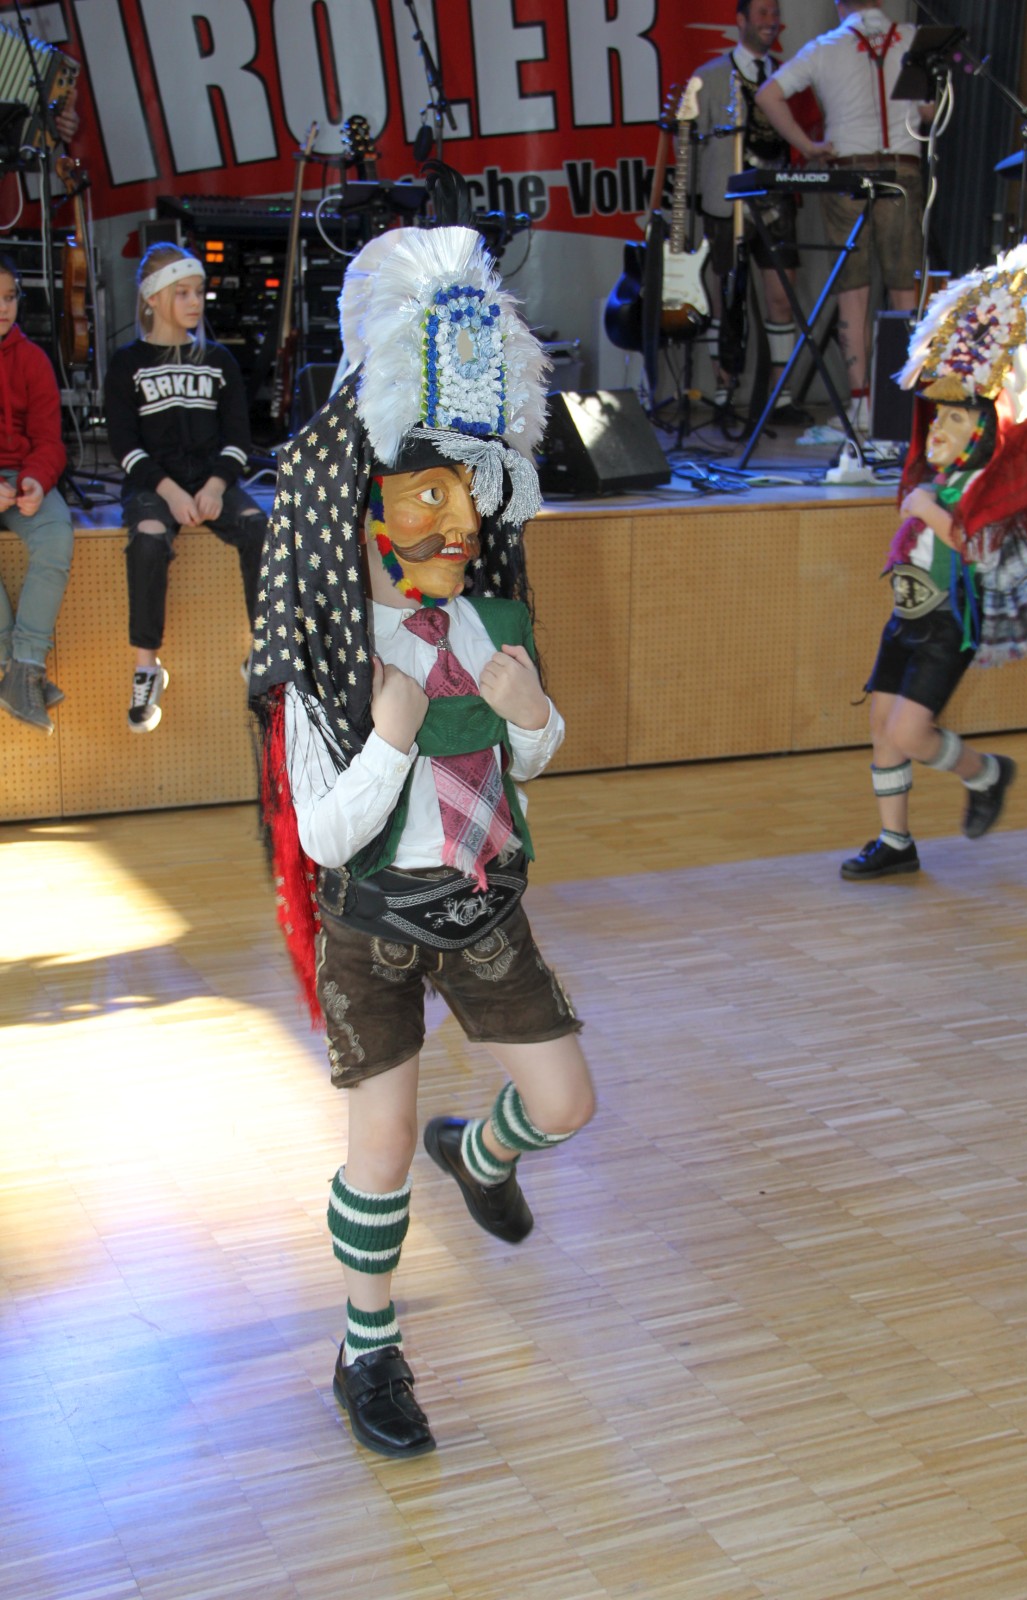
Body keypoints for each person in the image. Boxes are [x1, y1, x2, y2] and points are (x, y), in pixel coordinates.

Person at [250, 206, 595, 1458]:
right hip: (376, 924)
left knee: (564, 1103)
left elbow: (525, 757)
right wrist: (388, 735)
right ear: (363, 510)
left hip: (484, 904)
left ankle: (481, 1151)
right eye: (422, 496)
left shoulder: (493, 619)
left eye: (466, 495)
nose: (454, 525)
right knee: (380, 1144)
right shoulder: (332, 655)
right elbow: (325, 834)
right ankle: (367, 1349)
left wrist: (531, 713)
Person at [841, 241, 1027, 880]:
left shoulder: (987, 491)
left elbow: (980, 545)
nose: (937, 427)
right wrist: (922, 498)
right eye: (936, 415)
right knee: (883, 726)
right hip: (905, 619)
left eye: (955, 418)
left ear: (984, 430)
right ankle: (895, 842)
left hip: (947, 628)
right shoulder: (934, 479)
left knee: (911, 734)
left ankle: (987, 774)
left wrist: (926, 509)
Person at [104, 243, 266, 732]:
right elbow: (124, 446)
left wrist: (215, 486)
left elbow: (238, 440)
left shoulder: (218, 360)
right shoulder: (128, 363)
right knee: (149, 538)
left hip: (211, 480)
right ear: (152, 298)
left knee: (259, 526)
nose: (196, 302)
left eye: (199, 292)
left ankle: (262, 650)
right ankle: (147, 667)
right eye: (182, 293)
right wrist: (171, 492)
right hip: (155, 483)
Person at [756, 0, 933, 434]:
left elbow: (767, 95)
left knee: (853, 290)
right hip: (902, 172)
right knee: (903, 288)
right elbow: (929, 115)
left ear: (840, 4)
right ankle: (904, 409)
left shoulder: (825, 46)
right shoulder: (913, 40)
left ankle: (862, 404)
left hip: (846, 173)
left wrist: (808, 146)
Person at [690, 0, 808, 420]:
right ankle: (724, 391)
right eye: (761, 13)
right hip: (725, 203)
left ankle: (781, 395)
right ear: (740, 20)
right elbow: (691, 147)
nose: (770, 22)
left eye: (774, 13)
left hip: (777, 200)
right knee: (725, 297)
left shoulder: (790, 76)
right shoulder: (708, 78)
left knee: (781, 297)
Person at [0, 255, 74, 734]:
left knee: (56, 536)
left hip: (20, 476)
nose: (3, 307)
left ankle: (23, 666)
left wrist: (35, 481)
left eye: (9, 297)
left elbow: (50, 440)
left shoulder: (32, 359)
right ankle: (16, 670)